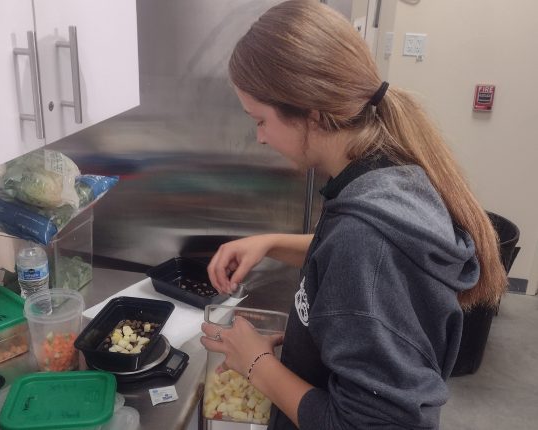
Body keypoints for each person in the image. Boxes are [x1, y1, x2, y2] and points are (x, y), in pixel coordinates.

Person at [199, 1, 508, 429]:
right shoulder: (382, 175)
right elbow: (353, 262)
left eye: (261, 120)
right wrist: (271, 244)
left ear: (310, 112)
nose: (260, 138)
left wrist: (257, 365)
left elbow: (369, 423)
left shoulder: (364, 237)